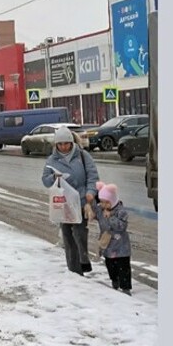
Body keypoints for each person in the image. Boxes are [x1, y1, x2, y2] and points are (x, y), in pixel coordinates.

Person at [41, 126, 100, 276]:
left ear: (71, 142)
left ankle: (83, 261)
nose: (63, 147)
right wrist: (53, 178)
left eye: (66, 143)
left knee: (80, 234)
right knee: (67, 236)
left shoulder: (82, 156)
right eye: (60, 144)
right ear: (56, 145)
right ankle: (74, 269)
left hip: (80, 202)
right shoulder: (52, 160)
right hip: (63, 204)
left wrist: (90, 192)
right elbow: (45, 181)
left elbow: (93, 176)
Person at [88, 183, 132, 295]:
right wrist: (90, 205)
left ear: (112, 201)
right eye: (101, 202)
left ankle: (125, 287)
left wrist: (111, 217)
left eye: (105, 202)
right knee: (110, 265)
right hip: (108, 245)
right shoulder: (100, 209)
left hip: (121, 246)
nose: (103, 204)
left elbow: (122, 226)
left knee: (123, 267)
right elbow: (94, 208)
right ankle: (114, 280)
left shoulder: (121, 211)